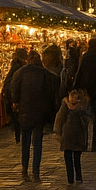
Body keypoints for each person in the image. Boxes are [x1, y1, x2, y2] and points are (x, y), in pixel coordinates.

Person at [12, 51, 61, 180]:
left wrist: (16, 101)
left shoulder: (21, 72)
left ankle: (24, 168)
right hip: (40, 112)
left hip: (25, 110)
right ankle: (35, 170)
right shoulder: (45, 74)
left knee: (26, 141)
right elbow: (51, 92)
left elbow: (14, 87)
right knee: (37, 141)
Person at [54, 89, 92, 185]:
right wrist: (58, 132)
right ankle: (70, 177)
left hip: (77, 136)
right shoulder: (66, 106)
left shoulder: (83, 107)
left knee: (76, 158)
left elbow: (86, 121)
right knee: (68, 157)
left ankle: (77, 176)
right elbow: (59, 119)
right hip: (68, 136)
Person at [2, 48, 29, 144]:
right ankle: (20, 137)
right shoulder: (19, 67)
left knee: (16, 117)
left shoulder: (15, 66)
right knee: (17, 117)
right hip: (15, 94)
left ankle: (18, 137)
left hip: (12, 94)